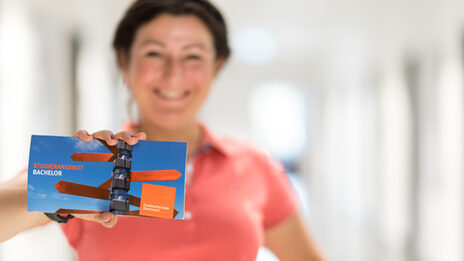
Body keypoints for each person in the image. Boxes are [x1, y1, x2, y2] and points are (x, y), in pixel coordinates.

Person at [0, 0, 324, 260]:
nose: (173, 75)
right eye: (155, 53)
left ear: (217, 66)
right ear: (124, 61)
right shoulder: (91, 161)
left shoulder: (256, 167)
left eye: (193, 56)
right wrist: (61, 196)